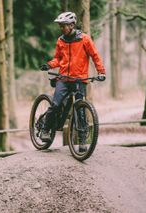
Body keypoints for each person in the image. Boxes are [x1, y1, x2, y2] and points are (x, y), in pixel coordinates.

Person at [40, 12, 106, 151]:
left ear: (71, 25)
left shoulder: (84, 39)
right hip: (63, 79)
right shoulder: (60, 40)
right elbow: (58, 59)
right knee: (56, 104)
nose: (61, 28)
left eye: (63, 26)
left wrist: (101, 72)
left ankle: (82, 141)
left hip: (80, 80)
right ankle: (45, 130)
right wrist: (50, 65)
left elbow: (95, 56)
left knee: (81, 109)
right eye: (60, 26)